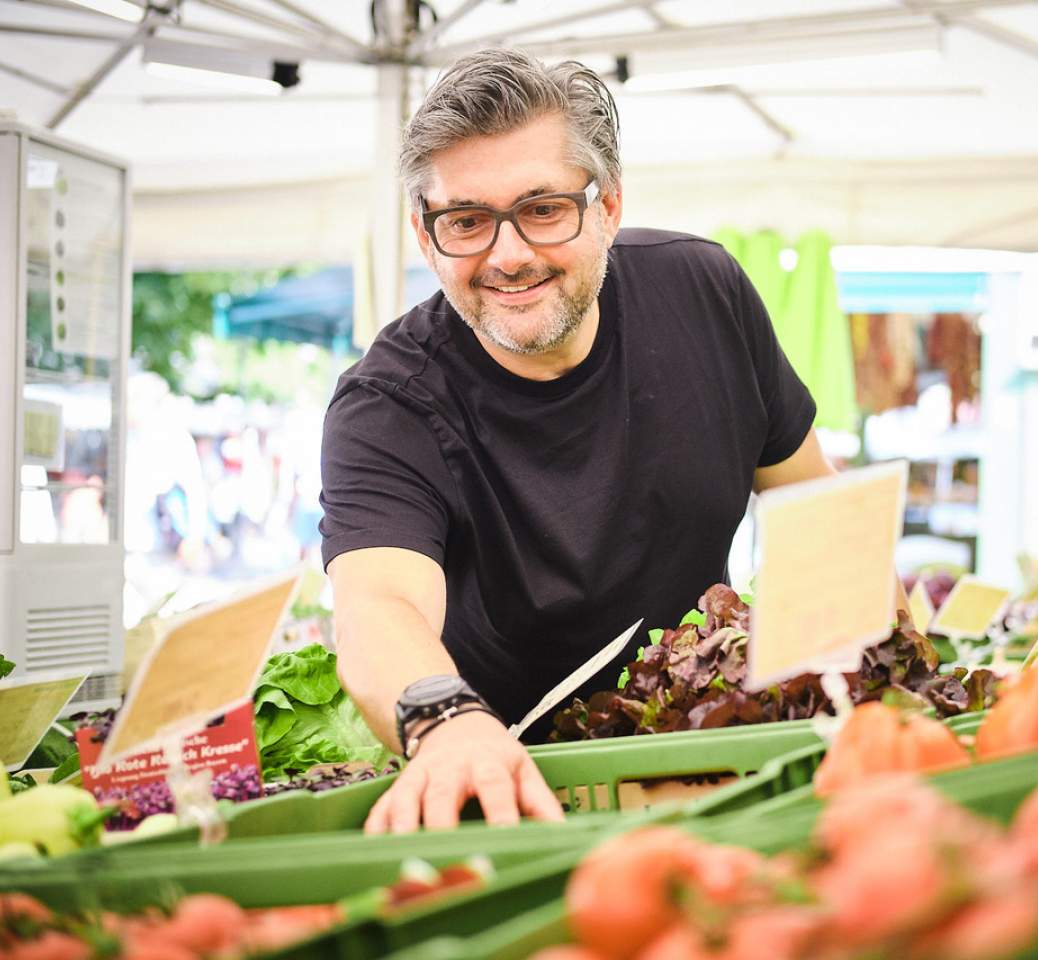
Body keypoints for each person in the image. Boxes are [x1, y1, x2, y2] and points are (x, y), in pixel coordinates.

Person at [319, 48, 836, 834]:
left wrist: (878, 666)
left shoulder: (705, 291)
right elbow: (377, 606)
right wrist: (447, 722)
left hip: (723, 764)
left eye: (543, 209)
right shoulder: (388, 402)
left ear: (609, 207)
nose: (508, 255)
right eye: (466, 221)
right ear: (426, 238)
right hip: (512, 791)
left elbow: (815, 508)